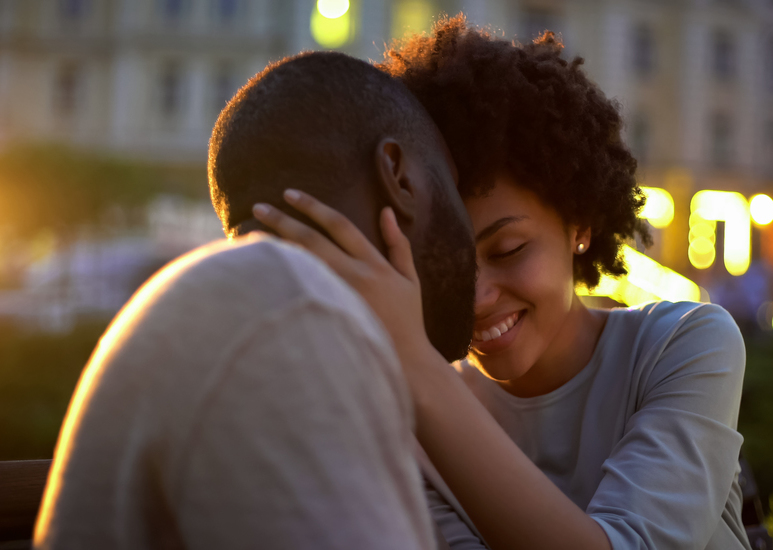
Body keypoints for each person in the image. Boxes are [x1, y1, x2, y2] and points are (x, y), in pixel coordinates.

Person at [251, 15, 752, 550]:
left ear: (579, 223)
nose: (477, 297)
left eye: (508, 250)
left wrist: (417, 367)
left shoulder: (684, 344)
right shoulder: (415, 421)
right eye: (441, 263)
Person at [34, 51, 476, 549]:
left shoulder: (252, 301)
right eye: (455, 187)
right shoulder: (289, 313)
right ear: (398, 175)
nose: (473, 237)